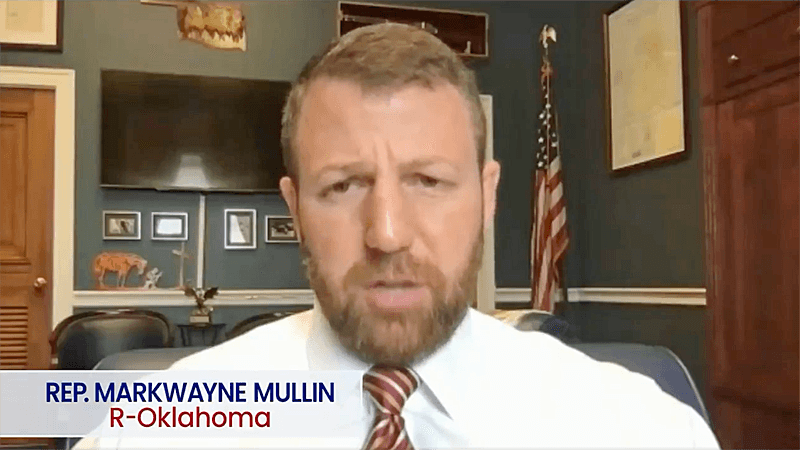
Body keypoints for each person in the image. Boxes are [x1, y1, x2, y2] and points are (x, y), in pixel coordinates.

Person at [75, 23, 719, 449]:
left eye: (429, 181)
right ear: (295, 209)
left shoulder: (637, 429)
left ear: (488, 195)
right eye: (342, 186)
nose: (386, 234)